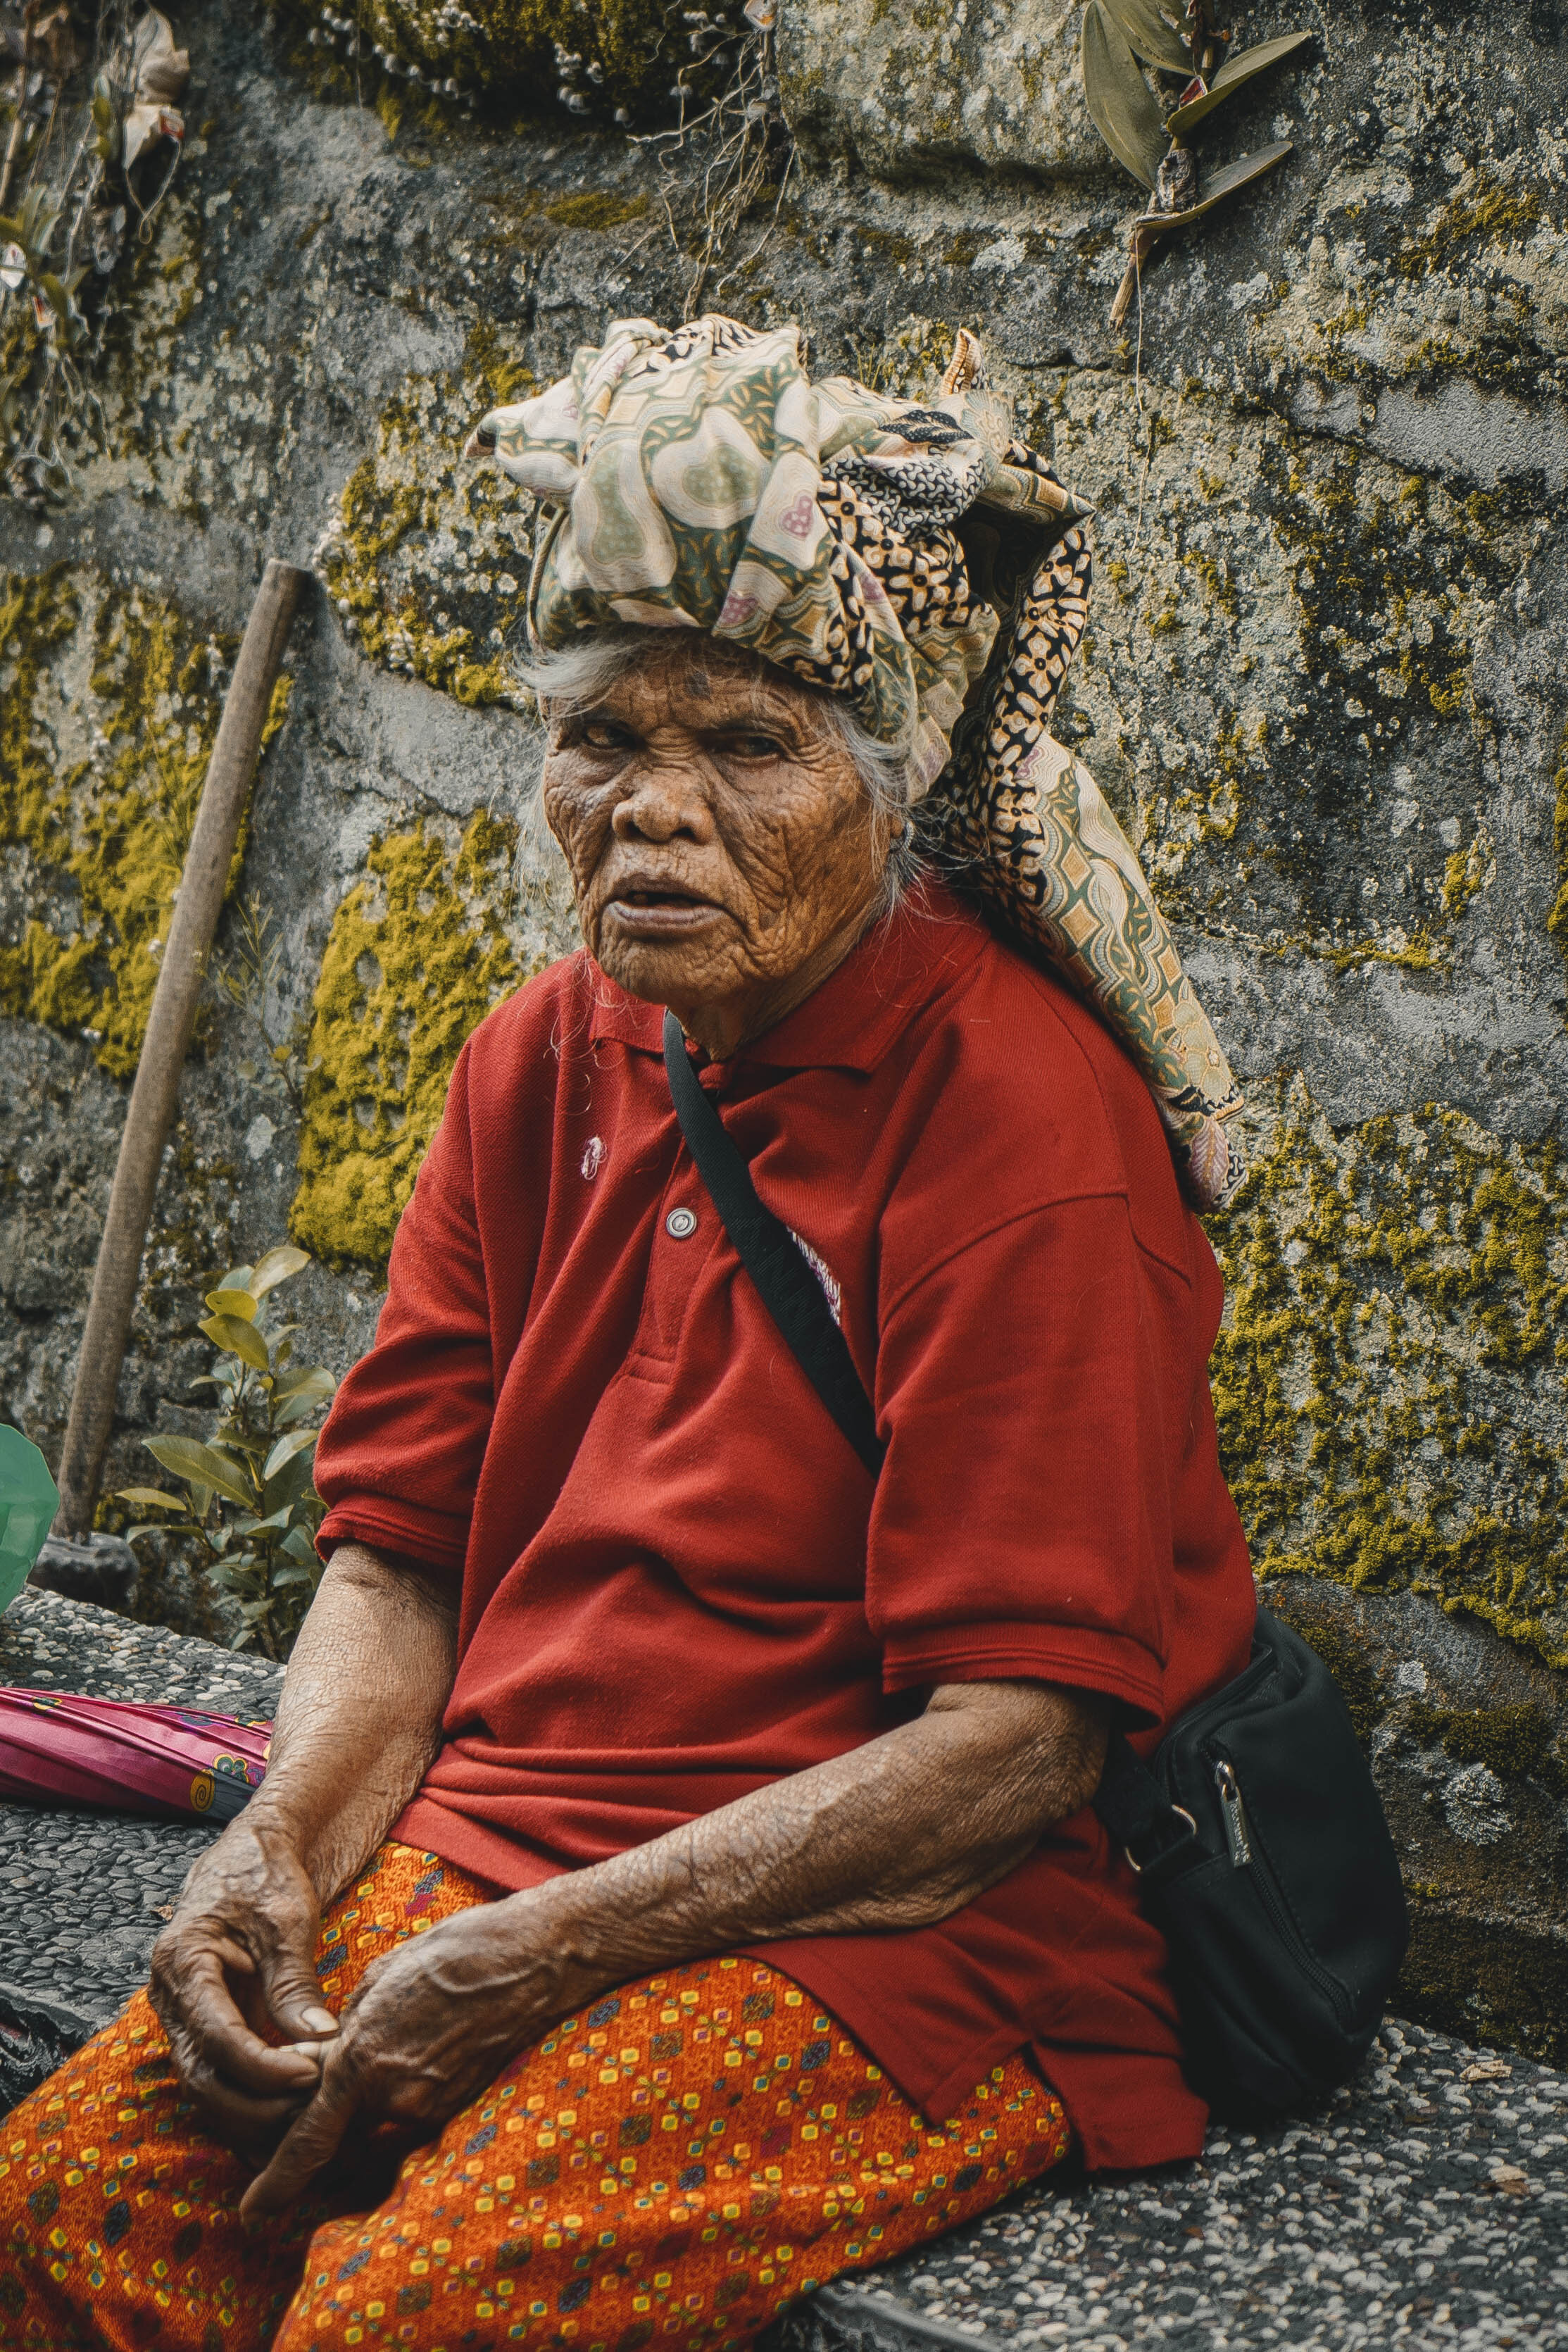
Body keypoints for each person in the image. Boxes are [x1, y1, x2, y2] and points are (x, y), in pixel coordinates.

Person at [0, 316, 1255, 2352]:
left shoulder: (1021, 1125)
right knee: (71, 2203)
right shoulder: (538, 1057)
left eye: (745, 748)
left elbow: (1013, 1747)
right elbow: (398, 1545)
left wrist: (533, 1955)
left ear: (886, 789)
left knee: (408, 2312)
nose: (654, 811)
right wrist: (280, 1853)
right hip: (509, 1834)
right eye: (610, 742)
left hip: (909, 1934)